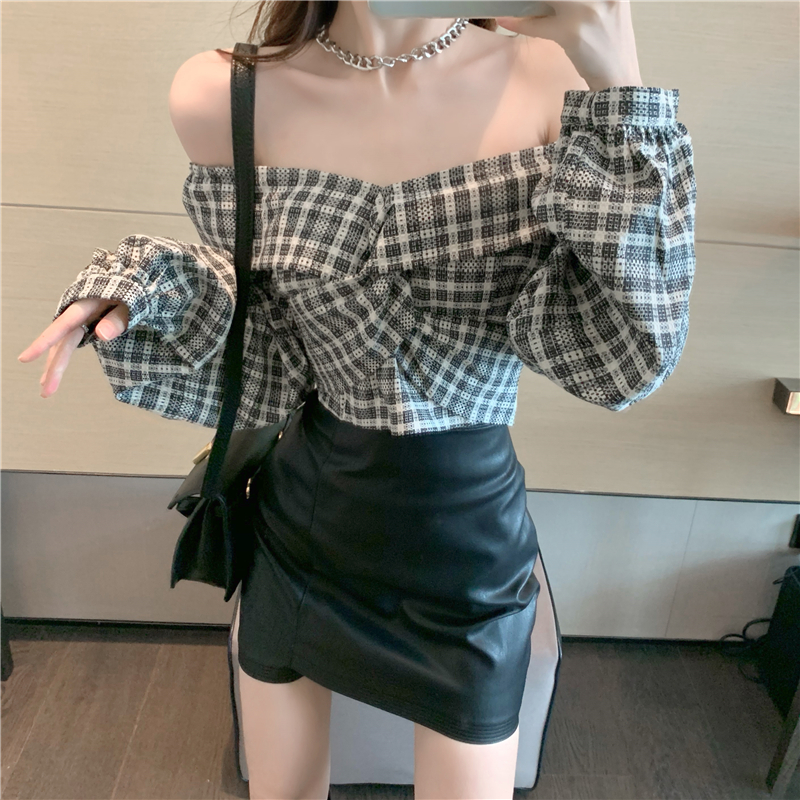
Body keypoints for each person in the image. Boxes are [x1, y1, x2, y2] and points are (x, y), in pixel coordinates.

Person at [17, 2, 696, 798]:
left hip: (467, 553)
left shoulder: (560, 79)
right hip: (306, 524)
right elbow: (264, 325)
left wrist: (621, 90)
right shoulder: (223, 94)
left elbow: (625, 360)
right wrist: (141, 285)